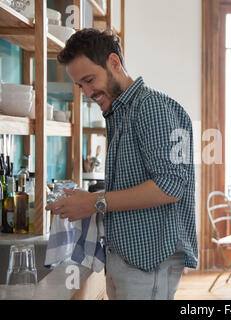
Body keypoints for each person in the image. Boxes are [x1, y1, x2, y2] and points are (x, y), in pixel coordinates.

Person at [45, 29, 198, 300]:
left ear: (114, 63)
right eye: (81, 86)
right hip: (127, 256)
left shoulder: (151, 108)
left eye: (90, 80)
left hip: (149, 258)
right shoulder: (120, 112)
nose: (88, 92)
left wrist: (94, 202)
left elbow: (171, 185)